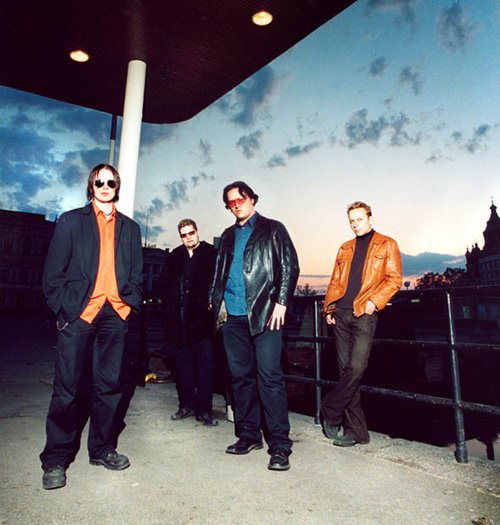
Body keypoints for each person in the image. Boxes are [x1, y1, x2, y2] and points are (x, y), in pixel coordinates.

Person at [40, 163, 143, 489]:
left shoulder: (130, 228)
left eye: (111, 182)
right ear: (91, 186)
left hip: (115, 314)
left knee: (109, 387)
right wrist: (63, 308)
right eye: (100, 182)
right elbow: (52, 274)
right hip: (79, 314)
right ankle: (56, 458)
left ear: (117, 186)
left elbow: (136, 273)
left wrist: (128, 305)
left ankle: (101, 449)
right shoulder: (71, 221)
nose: (105, 186)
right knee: (67, 389)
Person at [209, 181, 299, 471]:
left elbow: (290, 266)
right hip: (233, 318)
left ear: (252, 199)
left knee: (270, 378)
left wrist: (281, 302)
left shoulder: (273, 229)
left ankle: (280, 446)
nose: (236, 205)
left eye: (241, 199)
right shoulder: (227, 235)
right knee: (241, 379)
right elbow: (218, 273)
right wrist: (215, 303)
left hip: (265, 315)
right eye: (231, 202)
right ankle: (249, 435)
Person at [321, 201, 402, 447]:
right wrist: (329, 308)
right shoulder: (345, 248)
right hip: (341, 314)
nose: (355, 224)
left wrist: (374, 302)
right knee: (346, 372)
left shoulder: (387, 244)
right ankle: (357, 432)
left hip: (364, 313)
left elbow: (394, 279)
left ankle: (330, 409)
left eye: (359, 219)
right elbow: (335, 281)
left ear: (369, 218)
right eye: (352, 221)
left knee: (356, 368)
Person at [157, 219, 217, 425]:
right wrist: (170, 308)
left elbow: (218, 282)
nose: (188, 237)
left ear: (197, 232)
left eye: (191, 233)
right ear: (180, 237)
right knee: (183, 368)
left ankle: (205, 410)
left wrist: (212, 303)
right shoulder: (175, 256)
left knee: (205, 368)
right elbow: (163, 285)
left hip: (203, 323)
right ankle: (186, 405)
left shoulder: (210, 253)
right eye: (184, 235)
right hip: (179, 324)